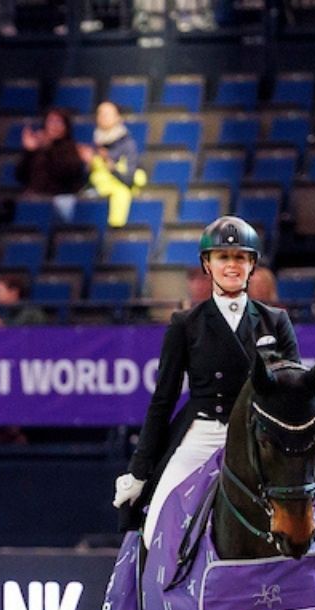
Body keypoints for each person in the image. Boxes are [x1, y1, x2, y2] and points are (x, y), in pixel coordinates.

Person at [113, 216, 298, 552]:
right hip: (203, 433)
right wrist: (139, 470)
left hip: (259, 439)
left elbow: (293, 396)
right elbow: (163, 400)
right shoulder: (186, 324)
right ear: (207, 265)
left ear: (251, 264)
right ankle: (149, 599)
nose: (232, 265)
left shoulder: (276, 322)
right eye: (223, 258)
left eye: (240, 257)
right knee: (154, 521)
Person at [85, 100, 146, 228]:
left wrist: (110, 166)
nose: (102, 117)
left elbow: (129, 179)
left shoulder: (128, 145)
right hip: (95, 200)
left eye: (107, 114)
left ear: (118, 117)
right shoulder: (94, 142)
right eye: (100, 113)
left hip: (118, 201)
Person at [16, 107, 86, 219]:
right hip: (36, 199)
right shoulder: (36, 149)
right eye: (51, 121)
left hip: (60, 200)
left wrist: (48, 149)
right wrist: (28, 152)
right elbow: (20, 176)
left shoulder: (72, 149)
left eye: (59, 122)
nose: (54, 126)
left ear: (66, 126)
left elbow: (65, 175)